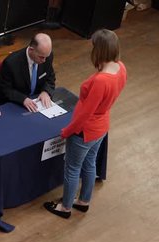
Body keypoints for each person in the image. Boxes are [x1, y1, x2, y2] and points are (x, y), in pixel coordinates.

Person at [44, 29, 127, 219]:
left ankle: (65, 208)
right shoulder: (121, 68)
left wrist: (67, 131)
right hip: (102, 126)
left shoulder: (100, 81)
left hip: (85, 131)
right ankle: (83, 201)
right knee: (89, 164)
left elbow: (84, 115)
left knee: (72, 169)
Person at [0, 33, 56, 112]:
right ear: (31, 50)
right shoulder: (11, 63)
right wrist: (23, 99)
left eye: (46, 57)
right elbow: (5, 89)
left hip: (37, 101)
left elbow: (50, 77)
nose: (44, 60)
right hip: (17, 103)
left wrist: (46, 91)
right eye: (41, 57)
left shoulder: (47, 56)